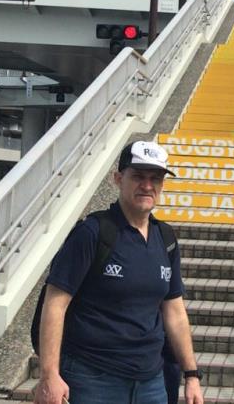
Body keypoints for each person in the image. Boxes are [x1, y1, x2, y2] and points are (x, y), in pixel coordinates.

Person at [34, 141, 204, 404]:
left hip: (151, 383)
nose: (147, 185)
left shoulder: (165, 238)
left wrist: (191, 375)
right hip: (91, 378)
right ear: (118, 178)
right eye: (138, 176)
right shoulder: (92, 232)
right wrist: (49, 375)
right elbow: (55, 304)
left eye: (155, 178)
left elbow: (174, 310)